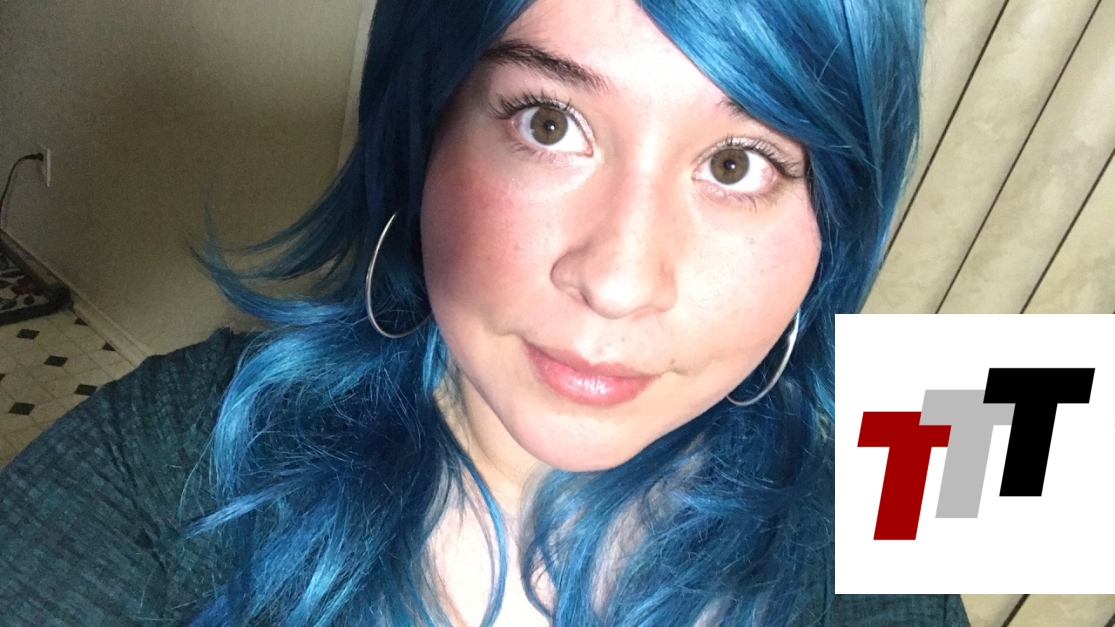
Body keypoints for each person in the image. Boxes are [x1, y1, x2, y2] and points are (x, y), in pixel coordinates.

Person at [0, 0, 970, 625]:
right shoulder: (173, 459)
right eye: (548, 122)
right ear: (421, 134)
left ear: (837, 219)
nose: (618, 281)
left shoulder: (888, 524)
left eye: (735, 163)